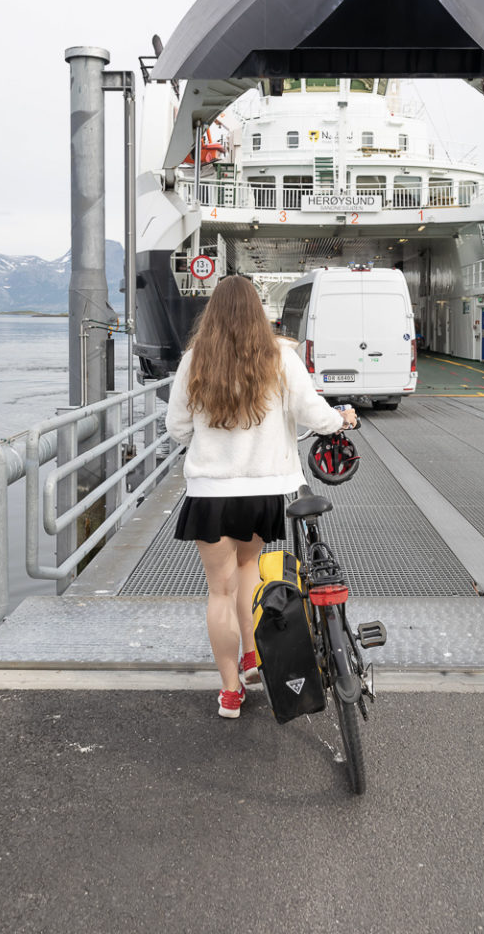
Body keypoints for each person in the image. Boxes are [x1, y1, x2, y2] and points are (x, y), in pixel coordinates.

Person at [165, 275, 357, 719]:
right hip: (264, 490)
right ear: (258, 312)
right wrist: (341, 420)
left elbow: (176, 428)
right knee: (251, 567)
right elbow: (313, 413)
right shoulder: (280, 358)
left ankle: (231, 692)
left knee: (219, 590)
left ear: (212, 314)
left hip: (211, 494)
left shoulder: (195, 360)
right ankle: (254, 660)